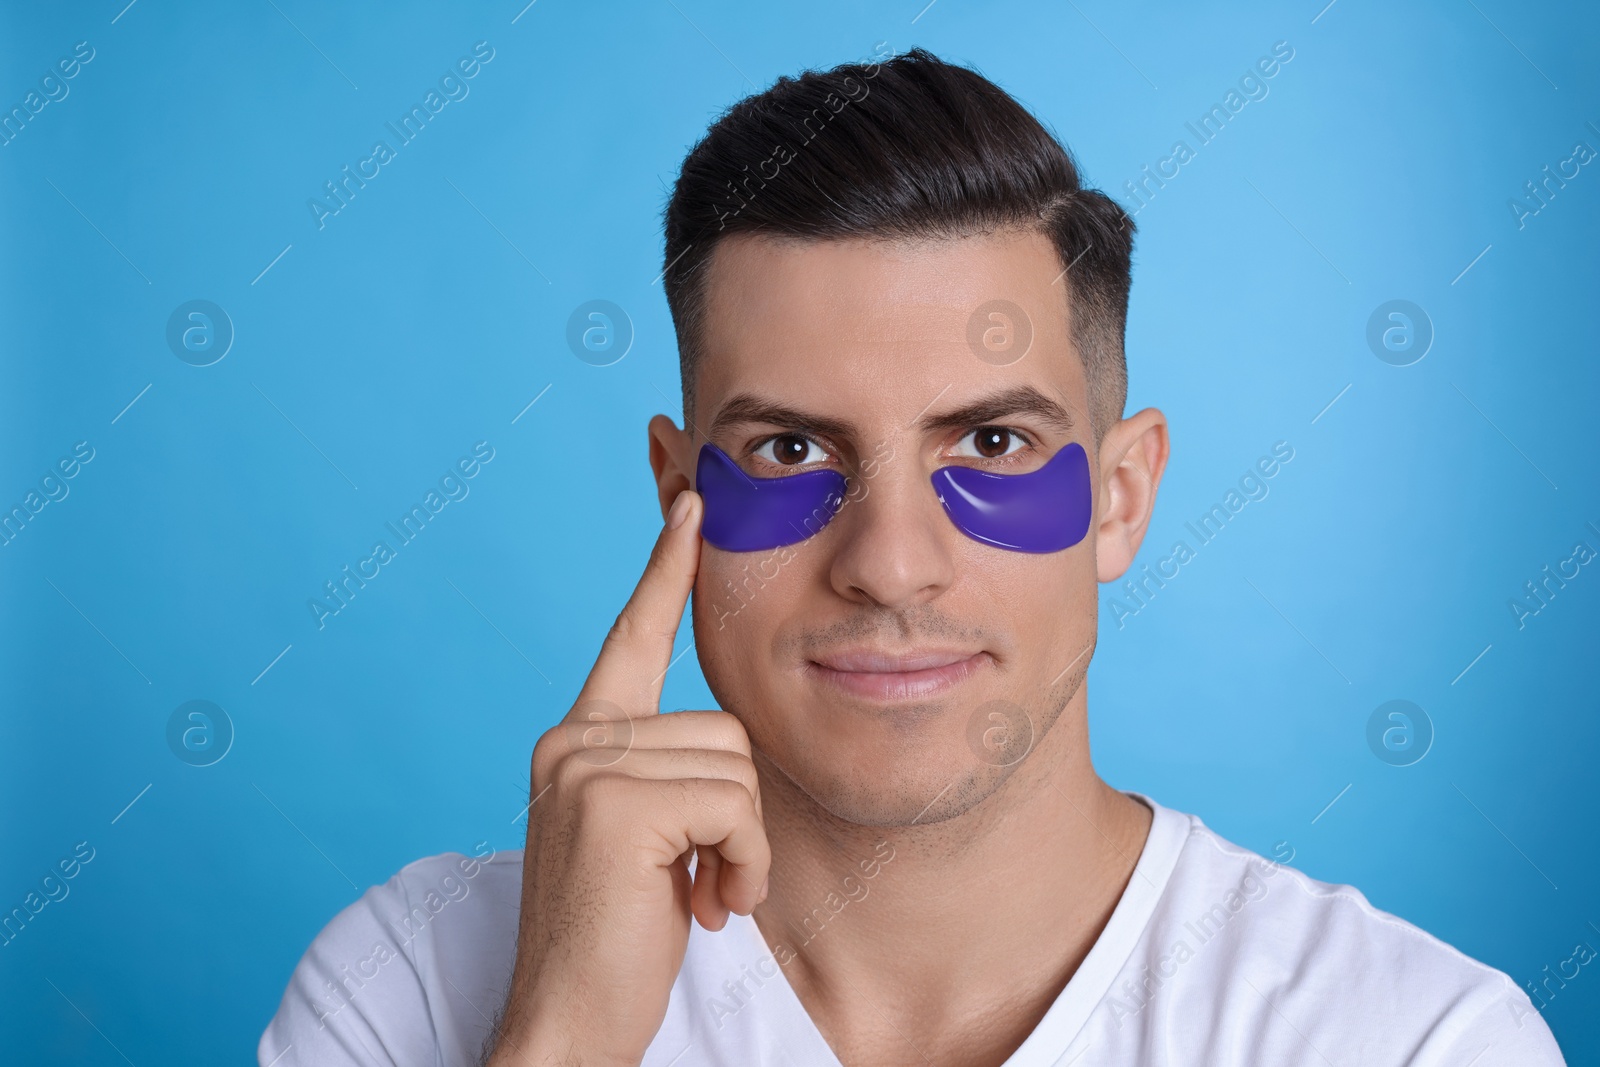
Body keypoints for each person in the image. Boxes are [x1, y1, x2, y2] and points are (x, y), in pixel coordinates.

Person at [258, 47, 1565, 1066]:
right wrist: (565, 1051)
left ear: (1120, 497)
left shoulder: (1408, 1041)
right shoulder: (418, 983)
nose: (890, 565)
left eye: (992, 442)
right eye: (786, 455)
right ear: (677, 495)